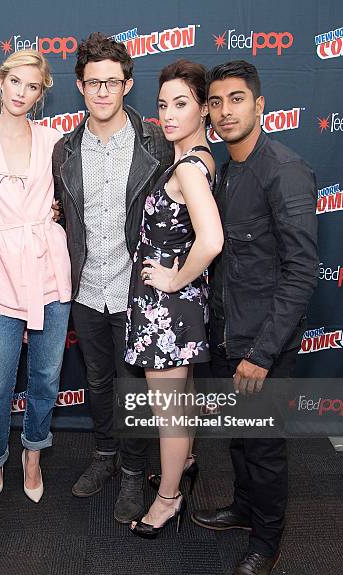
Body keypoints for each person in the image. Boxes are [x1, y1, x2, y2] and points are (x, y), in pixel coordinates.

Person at [191, 60, 318, 575]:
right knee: (238, 438)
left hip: (260, 344)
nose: (225, 111)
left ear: (260, 104)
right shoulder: (225, 169)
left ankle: (266, 540)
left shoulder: (283, 170)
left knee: (263, 447)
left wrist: (262, 354)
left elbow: (300, 272)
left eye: (236, 99)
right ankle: (245, 509)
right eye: (216, 103)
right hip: (224, 334)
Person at [52, 32, 173, 523]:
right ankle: (105, 455)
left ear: (127, 84)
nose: (102, 91)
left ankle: (131, 472)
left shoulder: (157, 145)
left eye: (112, 82)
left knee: (134, 387)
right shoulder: (63, 150)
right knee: (98, 382)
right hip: (86, 288)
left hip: (136, 289)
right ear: (80, 86)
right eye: (92, 82)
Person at [0, 50, 71, 503]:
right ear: (0, 83)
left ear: (42, 94)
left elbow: (72, 199)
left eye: (33, 86)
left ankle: (34, 454)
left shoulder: (55, 140)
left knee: (45, 377)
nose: (23, 93)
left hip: (49, 270)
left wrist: (59, 213)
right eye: (16, 82)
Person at [126, 60, 223, 539]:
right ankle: (182, 463)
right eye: (163, 104)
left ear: (204, 108)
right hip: (179, 308)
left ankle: (167, 500)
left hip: (167, 309)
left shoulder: (188, 168)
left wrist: (172, 279)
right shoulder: (200, 157)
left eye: (181, 104)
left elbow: (211, 240)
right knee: (180, 401)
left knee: (169, 411)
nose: (167, 114)